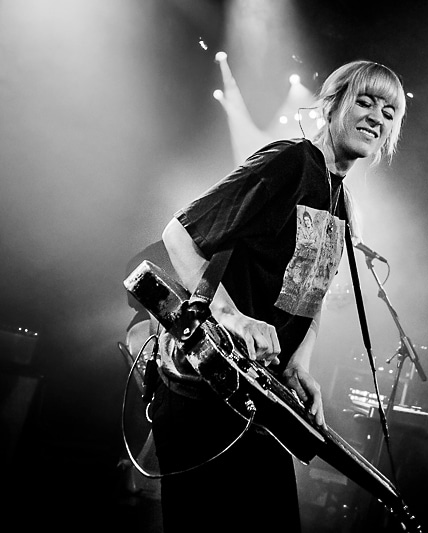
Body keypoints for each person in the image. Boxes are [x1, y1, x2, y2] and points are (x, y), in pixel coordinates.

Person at [150, 59, 407, 532]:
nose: (377, 117)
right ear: (332, 105)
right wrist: (232, 316)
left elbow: (310, 297)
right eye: (365, 102)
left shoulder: (342, 202)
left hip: (258, 399)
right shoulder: (290, 162)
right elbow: (178, 234)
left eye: (389, 112)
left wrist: (299, 365)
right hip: (202, 393)